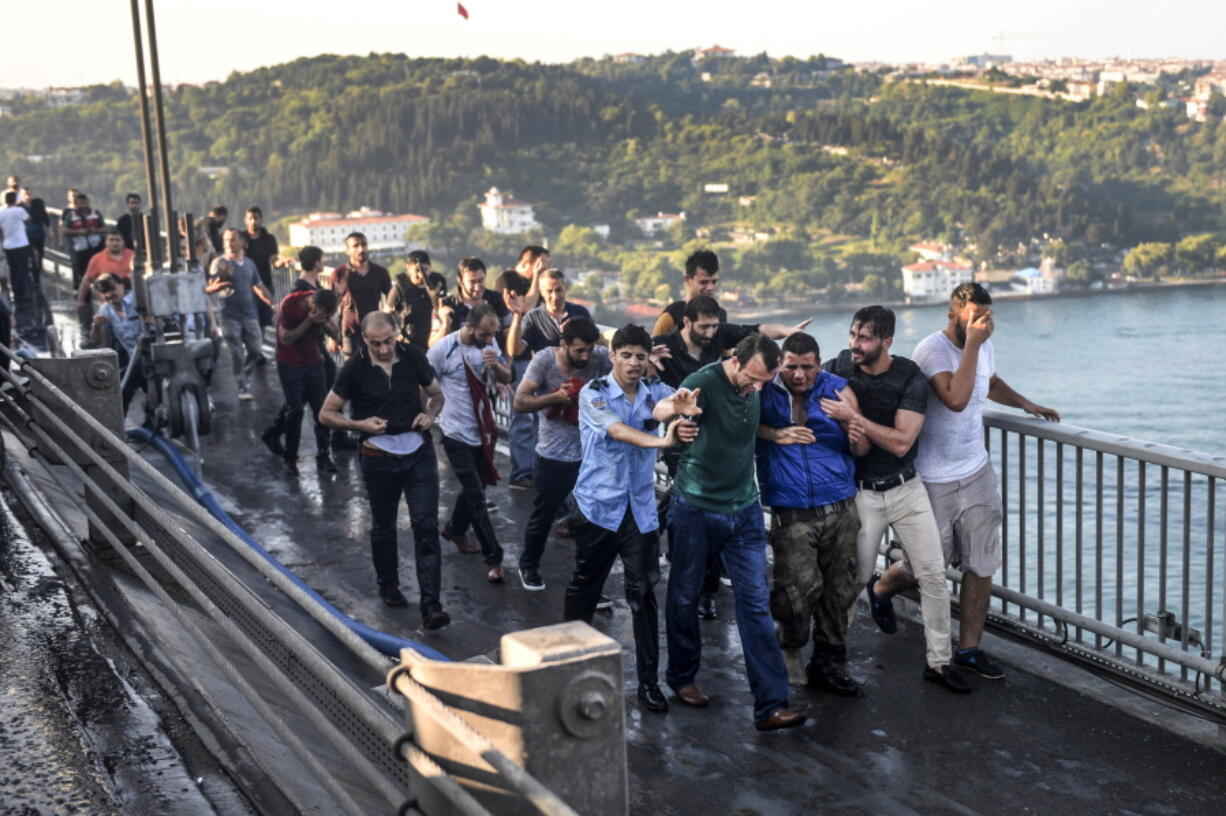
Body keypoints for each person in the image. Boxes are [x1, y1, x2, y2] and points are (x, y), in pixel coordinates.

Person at [903, 283, 1060, 681]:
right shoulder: (931, 351)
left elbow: (986, 383)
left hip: (976, 470)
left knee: (982, 562)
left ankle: (969, 649)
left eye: (987, 315)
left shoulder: (983, 345)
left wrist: (1026, 403)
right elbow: (955, 398)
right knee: (926, 566)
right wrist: (972, 343)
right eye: (975, 315)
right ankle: (883, 589)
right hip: (935, 477)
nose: (984, 322)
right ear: (954, 313)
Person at [821, 305, 970, 693]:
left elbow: (903, 442)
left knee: (934, 577)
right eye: (853, 334)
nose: (855, 344)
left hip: (906, 488)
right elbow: (799, 382)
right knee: (853, 580)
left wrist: (853, 416)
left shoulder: (909, 377)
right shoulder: (837, 365)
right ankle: (830, 662)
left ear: (886, 341)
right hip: (862, 494)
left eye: (865, 338)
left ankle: (939, 663)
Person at [664, 333, 808, 731]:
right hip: (695, 507)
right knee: (683, 595)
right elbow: (671, 408)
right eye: (753, 379)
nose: (759, 388)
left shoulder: (756, 380)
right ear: (735, 361)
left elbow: (749, 425)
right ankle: (681, 677)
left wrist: (776, 434)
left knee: (755, 605)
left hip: (744, 509)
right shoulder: (705, 381)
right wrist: (676, 418)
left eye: (765, 380)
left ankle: (771, 705)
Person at [563, 324, 700, 713]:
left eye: (641, 356)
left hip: (639, 514)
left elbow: (661, 408)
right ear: (613, 356)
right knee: (585, 588)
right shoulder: (594, 393)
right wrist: (663, 440)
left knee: (643, 597)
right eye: (627, 355)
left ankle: (648, 683)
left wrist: (679, 407)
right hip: (597, 508)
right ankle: (569, 667)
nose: (635, 363)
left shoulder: (654, 391)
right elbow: (619, 431)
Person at [319, 312, 450, 628]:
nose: (383, 349)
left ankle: (431, 606)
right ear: (365, 341)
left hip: (419, 453)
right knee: (384, 526)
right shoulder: (355, 368)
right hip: (378, 457)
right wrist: (357, 424)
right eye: (375, 344)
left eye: (388, 341)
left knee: (426, 525)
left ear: (397, 335)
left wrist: (430, 415)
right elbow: (326, 413)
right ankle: (388, 583)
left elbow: (436, 396)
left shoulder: (413, 356)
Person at [756, 333, 868, 695]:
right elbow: (741, 426)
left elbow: (862, 446)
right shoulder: (763, 389)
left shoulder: (838, 390)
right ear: (779, 365)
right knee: (796, 590)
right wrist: (776, 434)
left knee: (839, 590)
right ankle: (789, 647)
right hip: (792, 509)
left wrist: (853, 427)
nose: (800, 375)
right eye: (791, 367)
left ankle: (830, 663)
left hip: (839, 505)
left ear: (819, 365)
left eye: (807, 367)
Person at [512, 317, 609, 590]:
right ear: (563, 344)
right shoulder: (544, 361)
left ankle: (586, 581)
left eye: (589, 350)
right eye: (579, 350)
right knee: (544, 515)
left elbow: (627, 371)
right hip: (553, 454)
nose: (585, 356)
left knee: (591, 519)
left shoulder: (599, 357)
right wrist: (553, 398)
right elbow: (520, 402)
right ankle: (528, 566)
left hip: (590, 453)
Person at [427, 303, 512, 582]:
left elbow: (507, 376)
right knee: (476, 494)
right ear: (470, 327)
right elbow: (424, 384)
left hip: (482, 430)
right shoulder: (444, 350)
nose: (489, 339)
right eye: (485, 334)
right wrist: (425, 417)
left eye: (492, 335)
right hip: (454, 431)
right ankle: (494, 558)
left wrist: (496, 365)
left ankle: (454, 528)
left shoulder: (489, 344)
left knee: (478, 485)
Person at [503, 268, 593, 489]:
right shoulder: (534, 317)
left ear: (566, 289)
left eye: (559, 290)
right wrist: (517, 316)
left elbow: (595, 344)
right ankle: (531, 476)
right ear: (542, 292)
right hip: (546, 388)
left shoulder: (579, 312)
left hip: (577, 386)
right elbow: (514, 349)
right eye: (549, 291)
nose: (555, 296)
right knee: (538, 431)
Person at [262, 245, 340, 463]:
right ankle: (289, 454)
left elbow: (332, 329)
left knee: (320, 409)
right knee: (295, 410)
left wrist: (337, 334)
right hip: (290, 363)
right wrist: (309, 322)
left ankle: (324, 456)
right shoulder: (292, 303)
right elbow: (285, 338)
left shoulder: (319, 301)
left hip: (314, 360)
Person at [205, 228, 271, 401]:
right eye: (226, 240)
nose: (229, 243)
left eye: (233, 239)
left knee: (256, 350)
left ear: (242, 242)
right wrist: (220, 279)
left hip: (250, 314)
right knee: (236, 353)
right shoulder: (219, 263)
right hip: (228, 315)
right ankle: (241, 385)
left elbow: (258, 286)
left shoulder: (249, 263)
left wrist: (274, 304)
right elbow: (209, 287)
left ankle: (245, 376)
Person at [89, 274, 147, 420]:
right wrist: (96, 326)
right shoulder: (105, 309)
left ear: (121, 285)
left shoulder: (138, 299)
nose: (109, 295)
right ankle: (119, 428)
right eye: (104, 292)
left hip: (149, 354)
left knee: (126, 387)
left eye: (112, 289)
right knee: (122, 388)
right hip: (132, 359)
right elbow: (96, 342)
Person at [329, 232, 390, 359]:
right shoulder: (339, 274)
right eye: (356, 246)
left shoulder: (380, 272)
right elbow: (330, 307)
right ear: (347, 251)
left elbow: (392, 301)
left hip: (374, 329)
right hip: (349, 329)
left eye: (364, 244)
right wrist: (332, 336)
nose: (361, 249)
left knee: (375, 369)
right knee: (352, 370)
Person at [384, 249, 447, 350]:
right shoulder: (399, 288)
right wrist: (396, 333)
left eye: (425, 270)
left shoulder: (438, 282)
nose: (421, 275)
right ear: (408, 268)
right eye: (417, 271)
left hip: (435, 337)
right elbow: (386, 314)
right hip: (410, 340)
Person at [76, 229, 134, 311]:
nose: (114, 243)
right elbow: (87, 280)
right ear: (106, 242)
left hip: (131, 298)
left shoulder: (133, 256)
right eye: (111, 240)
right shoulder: (97, 259)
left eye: (117, 240)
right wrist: (80, 300)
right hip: (108, 300)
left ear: (123, 242)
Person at [243, 206, 280, 331]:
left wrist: (284, 261)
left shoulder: (269, 239)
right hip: (244, 285)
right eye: (250, 218)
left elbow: (274, 260)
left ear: (261, 219)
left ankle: (258, 347)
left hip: (264, 283)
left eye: (256, 218)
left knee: (263, 321)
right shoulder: (241, 238)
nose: (253, 221)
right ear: (246, 220)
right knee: (247, 320)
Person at [0, 191, 35, 323]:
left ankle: (15, 290)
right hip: (21, 242)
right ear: (15, 199)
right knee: (23, 268)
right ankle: (21, 292)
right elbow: (29, 219)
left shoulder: (1, 212)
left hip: (8, 244)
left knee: (13, 269)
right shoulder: (19, 210)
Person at [62, 192, 106, 289]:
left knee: (98, 270)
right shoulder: (71, 215)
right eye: (81, 203)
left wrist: (95, 230)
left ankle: (99, 290)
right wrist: (79, 232)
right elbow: (65, 230)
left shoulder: (96, 213)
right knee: (82, 273)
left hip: (96, 247)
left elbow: (104, 228)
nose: (83, 206)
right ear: (76, 204)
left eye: (85, 203)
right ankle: (84, 294)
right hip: (80, 248)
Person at [18, 188, 50, 270]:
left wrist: (49, 232)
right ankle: (33, 273)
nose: (27, 196)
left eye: (29, 194)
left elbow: (45, 219)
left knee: (40, 254)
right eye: (25, 194)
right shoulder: (19, 208)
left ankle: (38, 271)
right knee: (30, 256)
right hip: (26, 236)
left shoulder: (37, 205)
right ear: (21, 196)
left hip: (39, 234)